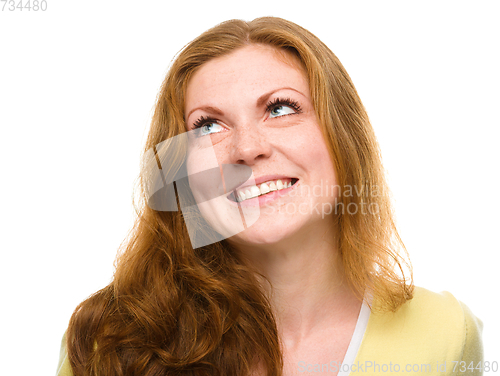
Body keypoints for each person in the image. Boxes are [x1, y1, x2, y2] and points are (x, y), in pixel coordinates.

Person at [56, 17, 483, 376]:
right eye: (208, 126)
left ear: (342, 136)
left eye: (280, 108)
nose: (246, 148)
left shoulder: (446, 333)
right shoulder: (108, 338)